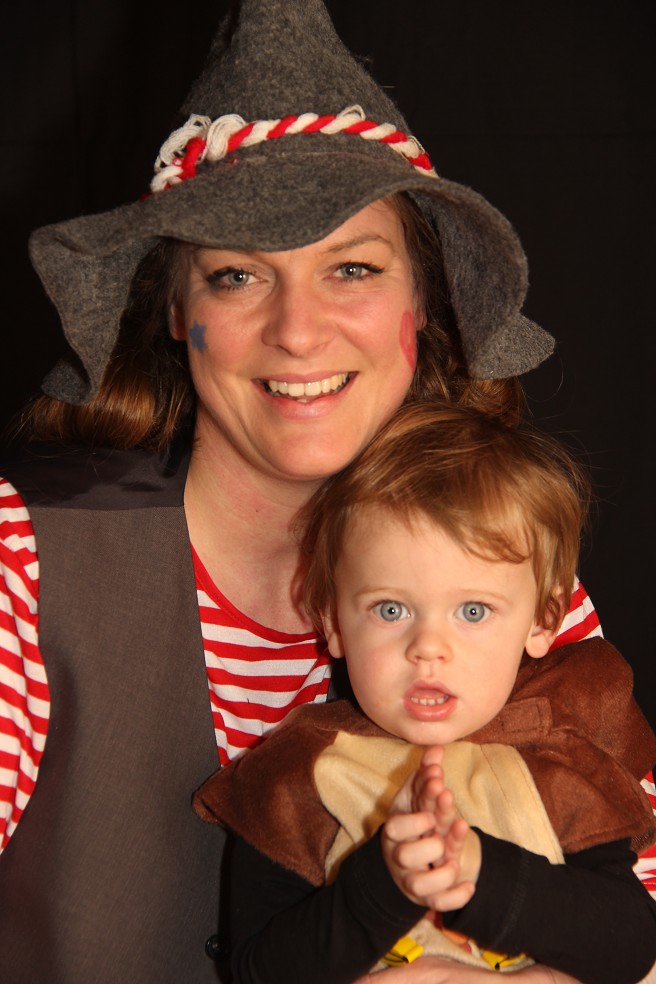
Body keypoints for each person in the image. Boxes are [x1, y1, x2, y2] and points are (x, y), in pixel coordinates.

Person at [0, 0, 653, 981]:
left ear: (423, 301)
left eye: (350, 267)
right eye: (236, 276)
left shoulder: (500, 559)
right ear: (172, 309)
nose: (298, 332)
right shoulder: (25, 552)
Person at [194, 402, 656, 984]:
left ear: (543, 621)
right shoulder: (294, 776)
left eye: (473, 611)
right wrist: (381, 886)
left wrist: (481, 874)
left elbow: (632, 942)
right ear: (334, 622)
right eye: (391, 610)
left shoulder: (562, 759)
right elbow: (256, 971)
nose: (428, 648)